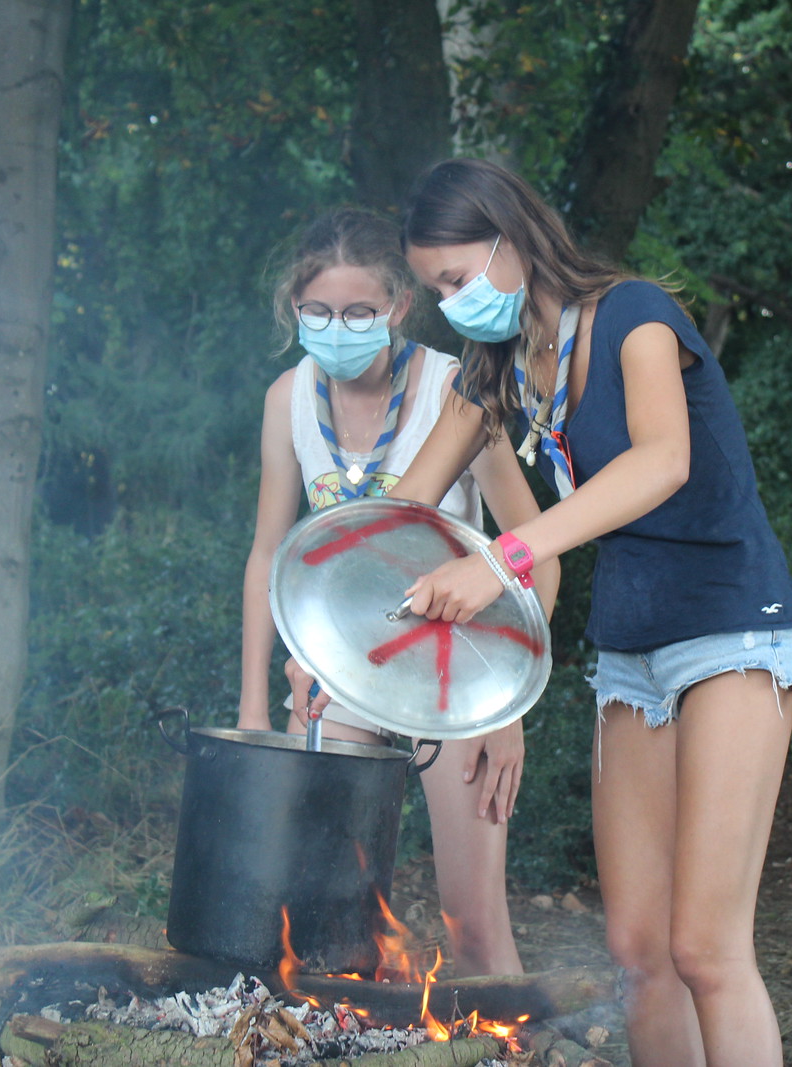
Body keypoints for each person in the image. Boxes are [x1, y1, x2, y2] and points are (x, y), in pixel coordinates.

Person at [333, 158, 792, 1066]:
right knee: (639, 952)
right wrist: (330, 638)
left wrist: (504, 558)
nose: (451, 303)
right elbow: (405, 516)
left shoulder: (636, 316)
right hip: (632, 651)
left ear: (511, 238)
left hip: (734, 626)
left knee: (705, 948)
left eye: (456, 278)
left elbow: (662, 463)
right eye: (434, 290)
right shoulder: (496, 367)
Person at [238, 207, 555, 977]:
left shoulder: (459, 390)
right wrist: (255, 706)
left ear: (398, 308)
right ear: (294, 308)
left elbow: (538, 551)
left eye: (356, 312)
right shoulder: (288, 398)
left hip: (459, 678)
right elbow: (269, 554)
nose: (335, 327)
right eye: (317, 312)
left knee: (474, 925)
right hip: (338, 675)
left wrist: (509, 705)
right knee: (321, 922)